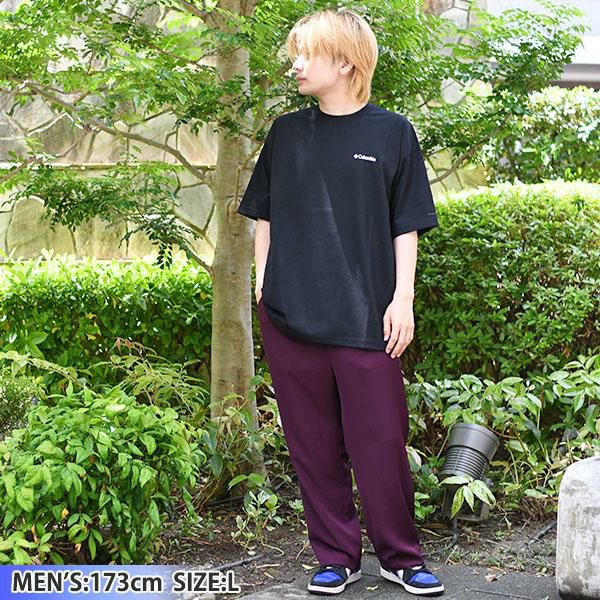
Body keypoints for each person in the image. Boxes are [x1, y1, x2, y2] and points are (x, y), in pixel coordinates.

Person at [237, 7, 445, 597]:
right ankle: (336, 556)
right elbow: (264, 215)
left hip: (368, 320)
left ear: (347, 62)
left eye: (308, 54)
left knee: (380, 443)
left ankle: (401, 557)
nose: (296, 65)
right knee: (312, 445)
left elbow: (406, 224)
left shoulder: (392, 133)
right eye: (295, 54)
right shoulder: (286, 134)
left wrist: (402, 299)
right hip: (290, 317)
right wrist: (263, 281)